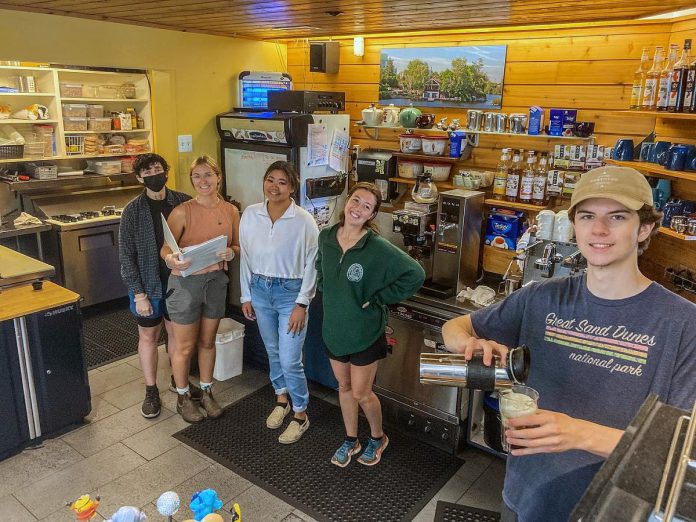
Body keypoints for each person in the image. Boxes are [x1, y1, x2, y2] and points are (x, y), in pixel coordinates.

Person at [442, 166, 696, 521]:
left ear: (645, 227)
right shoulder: (540, 297)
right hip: (524, 496)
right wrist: (469, 344)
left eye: (617, 217)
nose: (599, 230)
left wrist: (579, 433)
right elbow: (455, 326)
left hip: (614, 509)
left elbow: (682, 453)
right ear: (574, 225)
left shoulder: (684, 323)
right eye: (587, 216)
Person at [317, 182, 425, 467]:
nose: (358, 208)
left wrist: (380, 299)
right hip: (334, 330)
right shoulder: (326, 237)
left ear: (372, 215)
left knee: (362, 392)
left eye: (367, 206)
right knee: (343, 387)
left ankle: (377, 437)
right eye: (356, 200)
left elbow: (415, 274)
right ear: (346, 202)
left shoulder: (376, 247)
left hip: (365, 333)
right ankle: (351, 439)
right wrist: (323, 287)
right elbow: (321, 269)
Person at [239, 160, 318, 444]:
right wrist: (245, 294)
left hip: (290, 294)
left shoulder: (304, 221)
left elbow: (313, 264)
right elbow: (245, 257)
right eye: (270, 179)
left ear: (293, 187)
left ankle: (300, 414)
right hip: (259, 289)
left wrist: (302, 303)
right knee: (272, 351)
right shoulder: (250, 214)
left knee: (289, 358)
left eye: (282, 182)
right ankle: (281, 399)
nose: (275, 187)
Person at [161, 155, 240, 423]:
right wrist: (171, 258)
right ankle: (183, 397)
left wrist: (230, 252)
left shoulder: (230, 211)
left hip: (216, 281)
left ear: (218, 177)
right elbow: (166, 249)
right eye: (197, 176)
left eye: (208, 175)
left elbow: (237, 246)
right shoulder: (182, 211)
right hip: (186, 284)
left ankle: (206, 392)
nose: (203, 181)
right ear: (192, 180)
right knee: (184, 346)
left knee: (207, 342)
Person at [119, 153, 199, 418]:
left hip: (178, 282)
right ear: (139, 177)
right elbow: (126, 256)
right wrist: (139, 294)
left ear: (166, 171)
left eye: (158, 169)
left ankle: (179, 382)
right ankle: (151, 390)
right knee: (148, 337)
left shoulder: (183, 202)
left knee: (176, 334)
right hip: (147, 285)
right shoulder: (132, 211)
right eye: (147, 171)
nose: (154, 174)